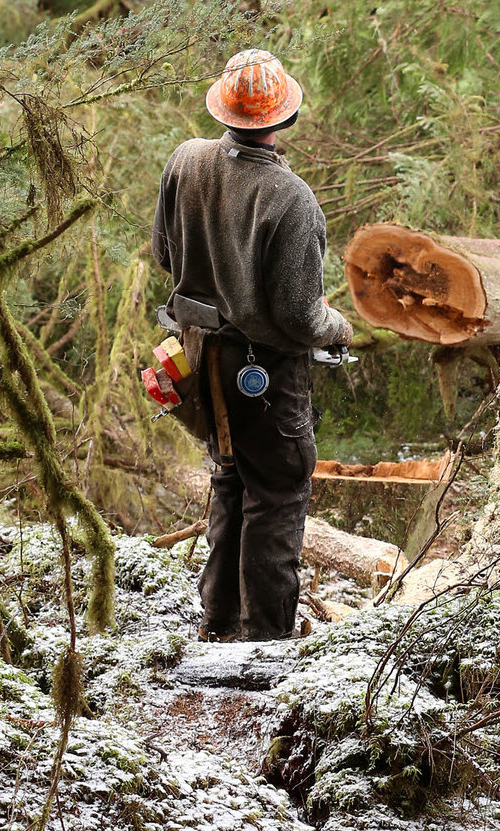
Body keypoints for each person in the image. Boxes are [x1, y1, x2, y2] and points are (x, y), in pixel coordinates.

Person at [151, 49, 352, 642]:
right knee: (278, 493)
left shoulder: (186, 161)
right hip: (259, 371)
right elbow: (299, 314)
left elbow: (167, 255)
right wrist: (338, 327)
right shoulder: (291, 199)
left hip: (195, 352)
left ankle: (217, 631)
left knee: (230, 479)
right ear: (284, 118)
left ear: (223, 108)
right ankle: (264, 646)